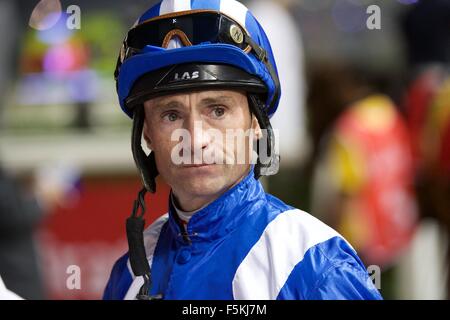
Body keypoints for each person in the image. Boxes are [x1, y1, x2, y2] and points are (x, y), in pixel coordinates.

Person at [103, 0, 382, 300]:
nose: (196, 140)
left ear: (255, 123)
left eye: (218, 110)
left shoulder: (316, 267)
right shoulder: (129, 271)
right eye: (171, 115)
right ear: (147, 133)